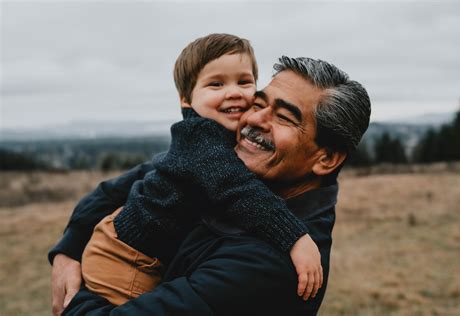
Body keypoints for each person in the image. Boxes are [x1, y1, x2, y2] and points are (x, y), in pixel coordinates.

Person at [50, 56, 371, 316]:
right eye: (258, 104)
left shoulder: (268, 266)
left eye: (285, 118)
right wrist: (69, 250)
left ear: (326, 158)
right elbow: (117, 188)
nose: (256, 119)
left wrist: (74, 299)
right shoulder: (223, 173)